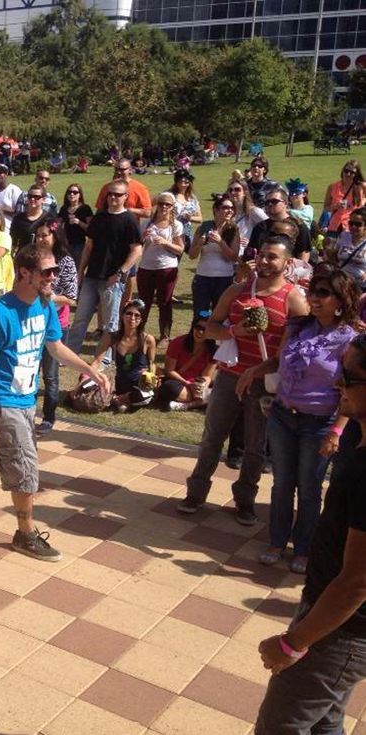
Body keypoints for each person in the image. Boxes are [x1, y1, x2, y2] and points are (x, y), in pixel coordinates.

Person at [0, 245, 109, 557]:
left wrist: (89, 369)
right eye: (46, 272)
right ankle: (25, 534)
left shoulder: (44, 305)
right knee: (26, 470)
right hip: (2, 400)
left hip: (26, 399)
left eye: (55, 271)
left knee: (13, 458)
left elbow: (55, 346)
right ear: (24, 273)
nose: (53, 277)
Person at [253, 332, 366, 734]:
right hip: (331, 619)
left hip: (341, 633)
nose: (337, 384)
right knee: (324, 724)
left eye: (348, 377)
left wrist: (294, 642)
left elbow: (356, 582)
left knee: (280, 727)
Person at [178, 235, 309, 524]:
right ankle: (196, 493)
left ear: (287, 263)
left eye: (272, 256)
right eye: (261, 254)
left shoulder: (294, 300)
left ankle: (245, 500)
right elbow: (209, 329)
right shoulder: (236, 291)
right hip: (229, 376)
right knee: (212, 438)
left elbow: (299, 349)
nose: (263, 260)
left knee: (255, 445)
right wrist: (235, 331)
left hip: (266, 383)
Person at [237, 267, 359, 574]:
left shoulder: (350, 340)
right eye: (312, 291)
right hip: (282, 416)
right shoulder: (297, 327)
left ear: (340, 301)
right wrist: (253, 371)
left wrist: (336, 431)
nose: (314, 299)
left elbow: (353, 391)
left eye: (323, 293)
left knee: (308, 488)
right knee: (281, 484)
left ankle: (303, 547)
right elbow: (278, 360)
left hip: (318, 424)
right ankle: (277, 541)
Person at [67, 180, 143, 362]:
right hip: (92, 275)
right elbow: (89, 246)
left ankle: (105, 357)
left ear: (126, 196)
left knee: (111, 322)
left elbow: (137, 250)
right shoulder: (99, 217)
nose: (113, 198)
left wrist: (120, 273)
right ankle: (70, 354)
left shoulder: (129, 220)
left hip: (113, 279)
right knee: (80, 318)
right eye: (110, 194)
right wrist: (80, 271)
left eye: (117, 194)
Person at [34, 216, 78, 435]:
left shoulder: (66, 262)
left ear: (54, 236)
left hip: (56, 324)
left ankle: (48, 417)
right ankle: (26, 413)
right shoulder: (32, 259)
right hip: (31, 322)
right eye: (38, 235)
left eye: (45, 235)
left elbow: (71, 298)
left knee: (50, 375)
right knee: (31, 370)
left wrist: (48, 297)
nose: (41, 239)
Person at [88, 299, 157, 412]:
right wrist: (87, 377)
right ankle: (123, 400)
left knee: (145, 396)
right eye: (129, 313)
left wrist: (151, 376)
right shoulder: (112, 337)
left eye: (137, 315)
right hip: (121, 383)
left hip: (140, 385)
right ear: (122, 315)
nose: (132, 318)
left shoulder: (147, 339)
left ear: (141, 319)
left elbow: (152, 363)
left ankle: (117, 399)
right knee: (89, 382)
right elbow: (97, 361)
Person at [136, 191, 185, 345]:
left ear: (172, 207)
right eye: (161, 203)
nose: (164, 207)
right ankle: (138, 332)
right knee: (144, 302)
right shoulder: (146, 223)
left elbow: (180, 249)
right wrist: (143, 237)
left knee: (165, 302)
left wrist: (165, 243)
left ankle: (164, 335)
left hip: (166, 267)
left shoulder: (176, 225)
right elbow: (137, 244)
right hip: (146, 267)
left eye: (168, 204)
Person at [189, 194, 239, 315]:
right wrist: (199, 244)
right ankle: (199, 333)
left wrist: (221, 243)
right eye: (225, 207)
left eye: (232, 208)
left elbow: (233, 257)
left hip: (224, 278)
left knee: (219, 314)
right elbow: (192, 255)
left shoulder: (233, 229)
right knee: (201, 313)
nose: (229, 211)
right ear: (216, 210)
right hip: (203, 278)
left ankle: (213, 334)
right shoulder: (204, 227)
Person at [158, 310, 217, 411]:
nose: (200, 332)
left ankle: (186, 405)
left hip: (197, 385)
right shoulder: (178, 342)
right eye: (198, 328)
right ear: (193, 327)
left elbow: (207, 376)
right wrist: (188, 384)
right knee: (169, 388)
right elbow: (169, 370)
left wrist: (201, 387)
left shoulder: (213, 350)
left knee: (222, 391)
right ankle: (202, 401)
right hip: (179, 382)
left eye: (205, 329)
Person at [249, 185, 312, 261]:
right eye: (267, 202)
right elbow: (253, 251)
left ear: (285, 203)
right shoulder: (260, 227)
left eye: (274, 201)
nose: (270, 204)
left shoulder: (299, 226)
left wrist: (299, 271)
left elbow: (304, 254)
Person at [323, 160, 365, 238]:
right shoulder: (333, 187)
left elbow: (362, 202)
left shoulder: (359, 187)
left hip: (351, 227)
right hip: (334, 226)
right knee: (331, 249)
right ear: (343, 171)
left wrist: (362, 202)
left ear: (356, 174)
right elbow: (326, 208)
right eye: (346, 171)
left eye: (352, 172)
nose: (348, 174)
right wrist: (336, 206)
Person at [58, 183, 93, 266]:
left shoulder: (85, 208)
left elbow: (91, 228)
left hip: (80, 244)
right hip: (66, 242)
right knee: (66, 266)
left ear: (80, 195)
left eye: (75, 192)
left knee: (78, 266)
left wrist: (79, 222)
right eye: (69, 192)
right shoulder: (64, 208)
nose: (72, 194)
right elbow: (58, 224)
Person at [333, 207, 366, 290]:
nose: (353, 226)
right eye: (351, 223)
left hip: (361, 286)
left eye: (358, 224)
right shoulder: (344, 235)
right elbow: (334, 255)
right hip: (342, 283)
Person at [10, 184, 49, 253]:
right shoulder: (18, 219)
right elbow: (13, 242)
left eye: (36, 197)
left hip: (42, 257)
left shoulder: (49, 218)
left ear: (43, 199)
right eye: (30, 196)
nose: (32, 199)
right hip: (23, 257)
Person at [170, 169, 201, 246]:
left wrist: (190, 218)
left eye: (186, 182)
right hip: (172, 232)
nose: (183, 185)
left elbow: (200, 219)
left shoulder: (192, 198)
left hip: (186, 233)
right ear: (176, 182)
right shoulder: (170, 195)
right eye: (180, 182)